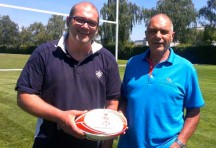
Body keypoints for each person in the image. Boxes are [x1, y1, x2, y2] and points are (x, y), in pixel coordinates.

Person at [15, 2, 121, 148]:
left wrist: (106, 143)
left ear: (97, 28)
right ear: (68, 20)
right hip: (48, 142)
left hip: (92, 144)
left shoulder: (107, 59)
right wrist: (60, 117)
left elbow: (112, 102)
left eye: (91, 23)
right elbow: (24, 97)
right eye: (80, 20)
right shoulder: (44, 53)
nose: (85, 26)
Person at [118, 13, 205, 148]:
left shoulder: (186, 68)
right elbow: (124, 98)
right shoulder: (132, 63)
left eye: (163, 32)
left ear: (172, 36)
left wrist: (179, 143)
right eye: (153, 31)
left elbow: (194, 110)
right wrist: (120, 114)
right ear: (146, 35)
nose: (158, 36)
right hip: (128, 144)